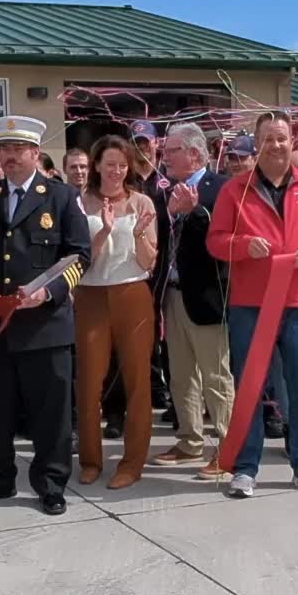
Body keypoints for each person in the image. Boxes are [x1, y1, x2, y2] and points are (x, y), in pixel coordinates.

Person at [208, 112, 298, 497]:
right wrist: (242, 247)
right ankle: (246, 468)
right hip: (252, 305)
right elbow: (215, 241)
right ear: (257, 144)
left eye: (282, 138)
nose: (275, 145)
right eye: (267, 139)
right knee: (250, 386)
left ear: (292, 142)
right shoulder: (234, 190)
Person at [0, 115, 90, 516]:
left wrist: (47, 292)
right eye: (5, 149)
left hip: (44, 326)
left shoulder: (62, 197)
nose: (11, 157)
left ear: (36, 153)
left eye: (19, 149)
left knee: (49, 412)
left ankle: (51, 483)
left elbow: (79, 256)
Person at [149, 122, 233, 479]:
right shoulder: (164, 190)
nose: (164, 157)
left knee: (216, 376)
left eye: (171, 151)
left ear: (195, 154)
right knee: (181, 375)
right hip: (172, 295)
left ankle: (229, 450)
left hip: (208, 297)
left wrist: (194, 212)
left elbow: (225, 242)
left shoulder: (223, 189)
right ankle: (189, 440)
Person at [74, 135, 158, 489]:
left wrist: (139, 234)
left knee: (138, 381)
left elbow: (148, 261)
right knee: (90, 382)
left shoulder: (141, 202)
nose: (116, 171)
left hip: (132, 292)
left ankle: (132, 462)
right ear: (96, 165)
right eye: (110, 164)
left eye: (122, 165)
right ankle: (91, 460)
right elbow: (77, 257)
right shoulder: (79, 202)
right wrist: (104, 230)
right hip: (91, 295)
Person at [130, 119, 177, 425]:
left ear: (156, 143)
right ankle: (146, 389)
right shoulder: (125, 181)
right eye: (136, 142)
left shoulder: (169, 180)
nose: (142, 147)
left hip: (165, 271)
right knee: (137, 336)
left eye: (146, 141)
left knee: (171, 337)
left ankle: (175, 396)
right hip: (133, 270)